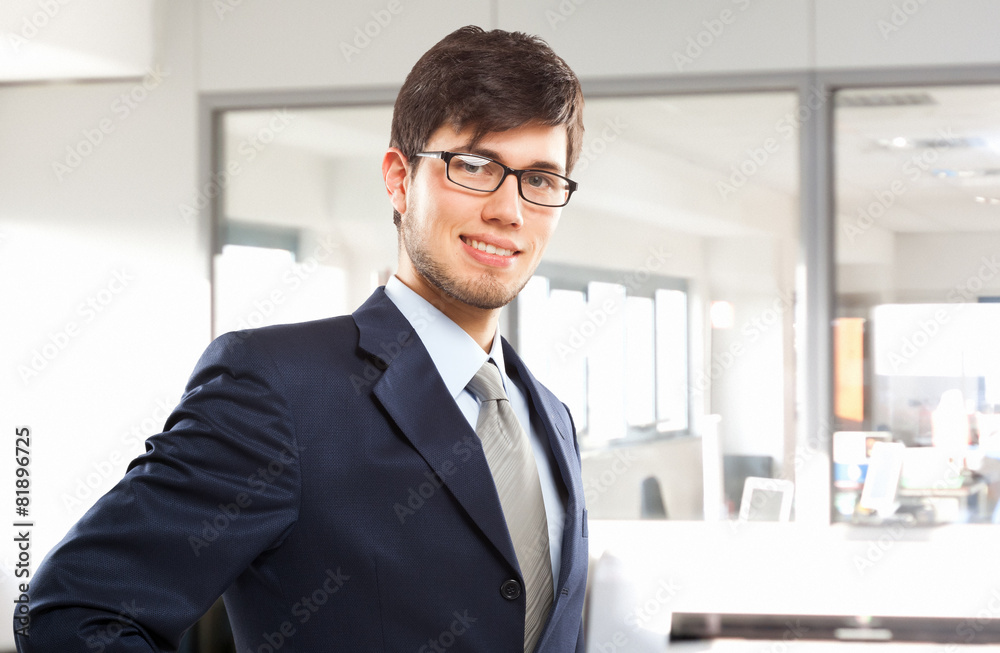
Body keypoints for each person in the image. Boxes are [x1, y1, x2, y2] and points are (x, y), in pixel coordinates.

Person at [16, 25, 588, 653]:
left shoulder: (551, 419)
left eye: (540, 179)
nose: (510, 210)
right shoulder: (278, 390)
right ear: (399, 179)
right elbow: (76, 611)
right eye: (474, 166)